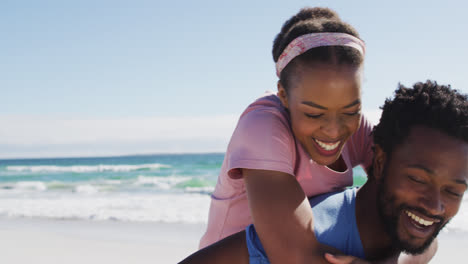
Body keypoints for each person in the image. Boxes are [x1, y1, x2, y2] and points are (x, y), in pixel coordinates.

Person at [181, 80, 468, 264]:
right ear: (378, 162)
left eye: (454, 190)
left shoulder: (409, 239)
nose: (435, 205)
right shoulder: (312, 236)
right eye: (418, 179)